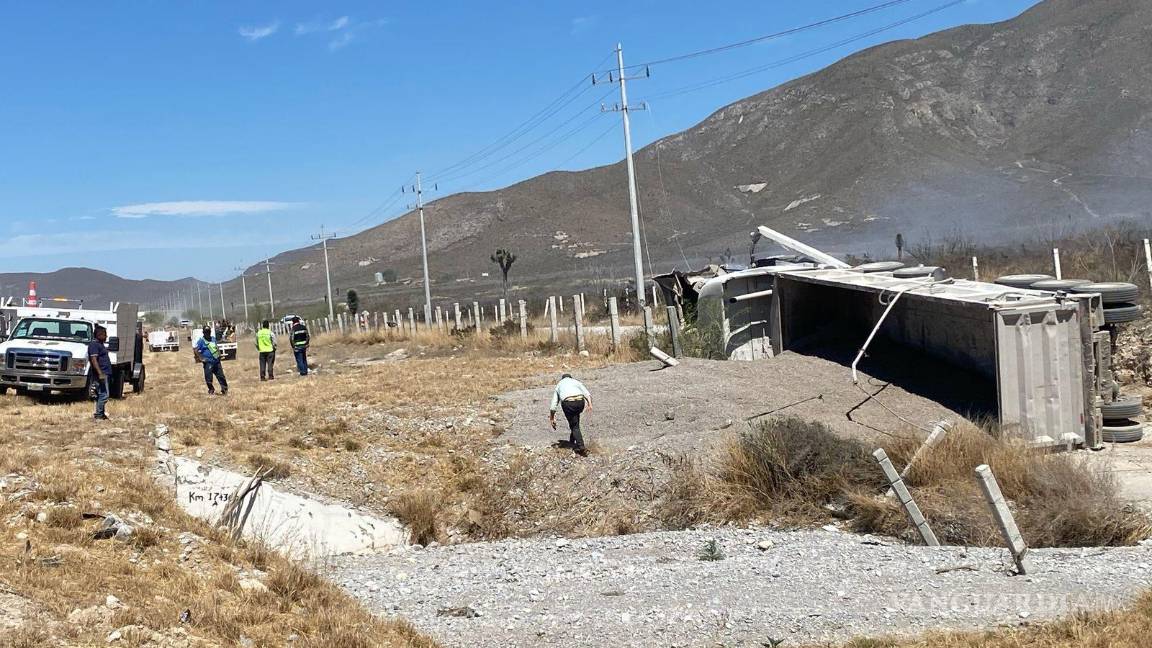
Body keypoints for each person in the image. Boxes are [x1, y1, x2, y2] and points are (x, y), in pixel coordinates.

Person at [549, 373, 592, 456]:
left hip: (568, 403)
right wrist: (590, 404)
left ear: (562, 379)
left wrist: (552, 418)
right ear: (570, 378)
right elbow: (587, 393)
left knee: (574, 425)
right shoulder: (576, 381)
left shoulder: (559, 384)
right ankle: (572, 442)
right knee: (575, 422)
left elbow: (554, 404)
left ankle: (581, 447)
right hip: (580, 402)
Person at [194, 326, 229, 395]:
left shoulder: (213, 338)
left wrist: (219, 355)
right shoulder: (201, 341)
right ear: (203, 333)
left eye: (209, 332)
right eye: (206, 332)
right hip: (208, 362)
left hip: (216, 361)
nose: (208, 333)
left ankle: (224, 390)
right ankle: (211, 389)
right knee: (208, 377)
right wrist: (201, 358)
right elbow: (196, 350)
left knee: (221, 376)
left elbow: (216, 347)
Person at [88, 325, 112, 420]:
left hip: (105, 372)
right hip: (102, 373)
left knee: (101, 394)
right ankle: (98, 415)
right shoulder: (94, 345)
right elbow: (94, 360)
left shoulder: (100, 344)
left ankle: (101, 414)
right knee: (104, 395)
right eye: (104, 335)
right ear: (99, 335)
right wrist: (100, 373)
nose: (106, 337)